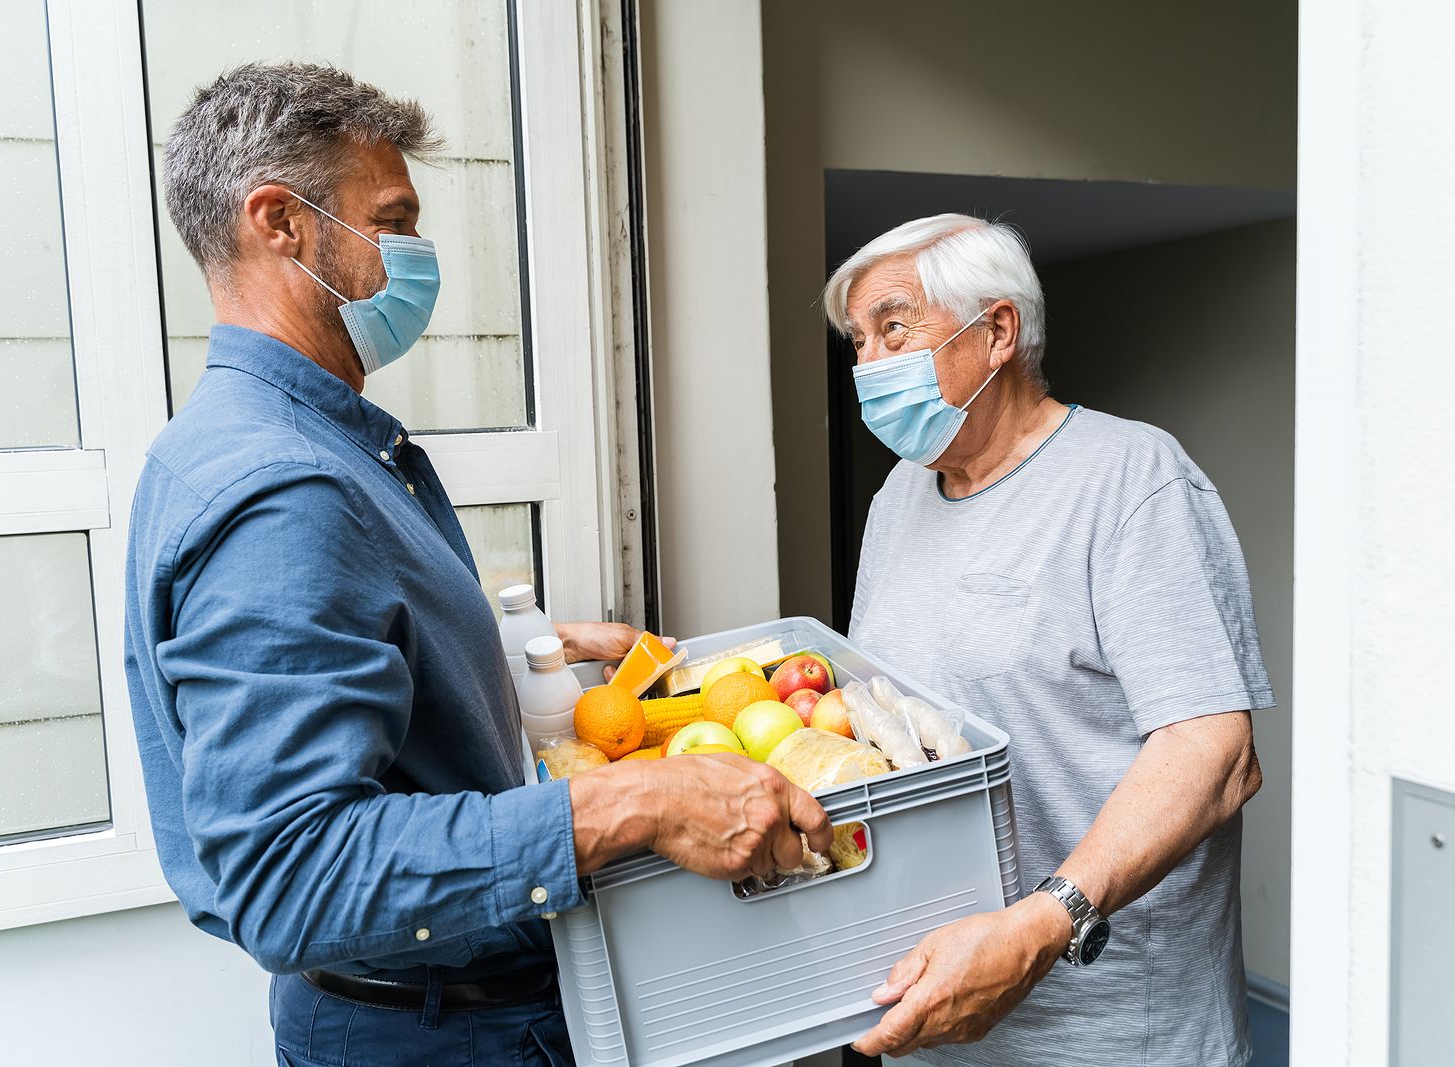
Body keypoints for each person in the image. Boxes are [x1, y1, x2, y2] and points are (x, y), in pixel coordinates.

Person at [124, 63, 830, 1067]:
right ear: (279, 222)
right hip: (441, 1030)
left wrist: (503, 662)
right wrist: (634, 800)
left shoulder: (231, 445)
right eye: (392, 218)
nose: (415, 254)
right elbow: (293, 874)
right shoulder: (286, 492)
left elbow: (349, 695)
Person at [825, 214, 1272, 1066]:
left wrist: (1044, 923)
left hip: (1107, 1033)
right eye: (858, 342)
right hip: (938, 1017)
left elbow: (1216, 751)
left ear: (996, 331)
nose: (868, 367)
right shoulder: (897, 500)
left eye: (893, 327)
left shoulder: (1133, 479)